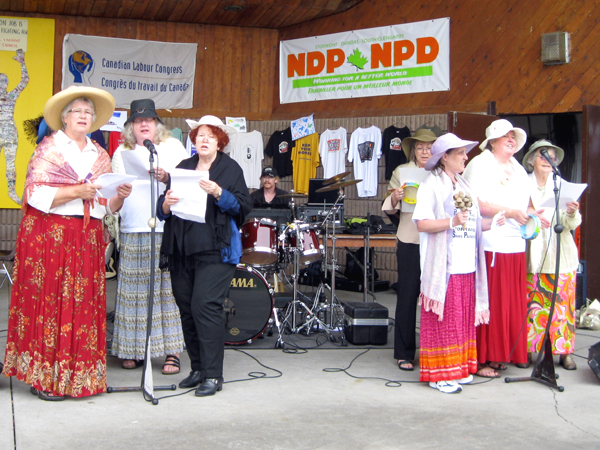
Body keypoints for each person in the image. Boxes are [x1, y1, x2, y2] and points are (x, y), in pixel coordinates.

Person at [3, 86, 132, 400]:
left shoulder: (99, 155)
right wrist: (77, 192)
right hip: (50, 235)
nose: (84, 116)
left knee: (82, 305)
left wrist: (118, 198)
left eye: (88, 113)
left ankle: (78, 376)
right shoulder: (50, 149)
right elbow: (34, 195)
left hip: (85, 238)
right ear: (64, 118)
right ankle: (45, 378)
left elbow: (103, 207)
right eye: (78, 111)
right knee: (49, 303)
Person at [158, 115, 252, 397]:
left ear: (220, 141)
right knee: (186, 307)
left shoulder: (230, 168)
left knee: (204, 305)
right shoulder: (183, 167)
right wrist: (165, 203)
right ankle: (197, 369)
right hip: (182, 249)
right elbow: (162, 211)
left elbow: (243, 207)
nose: (204, 139)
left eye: (211, 136)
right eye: (200, 135)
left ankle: (213, 374)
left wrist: (219, 192)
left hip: (216, 249)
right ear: (194, 139)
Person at [412, 133, 501, 394]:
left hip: (466, 263)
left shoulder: (463, 185)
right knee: (444, 319)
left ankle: (458, 368)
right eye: (460, 153)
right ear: (445, 158)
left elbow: (471, 223)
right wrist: (451, 222)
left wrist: (493, 222)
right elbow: (422, 223)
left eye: (465, 152)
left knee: (461, 318)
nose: (465, 157)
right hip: (444, 266)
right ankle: (439, 374)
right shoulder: (431, 185)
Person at [463, 119, 548, 377]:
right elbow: (475, 202)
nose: (511, 140)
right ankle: (481, 356)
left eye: (513, 136)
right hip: (491, 240)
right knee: (491, 300)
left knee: (509, 301)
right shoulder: (480, 163)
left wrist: (535, 215)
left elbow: (525, 204)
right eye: (505, 136)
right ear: (493, 141)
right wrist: (510, 212)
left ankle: (501, 353)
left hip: (515, 241)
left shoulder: (518, 168)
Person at [110, 99, 187, 373]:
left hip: (166, 229)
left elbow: (188, 183)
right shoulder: (121, 152)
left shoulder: (173, 148)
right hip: (133, 227)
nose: (144, 124)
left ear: (157, 125)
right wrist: (120, 193)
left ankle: (172, 351)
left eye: (150, 120)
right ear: (131, 127)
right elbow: (113, 198)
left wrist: (168, 177)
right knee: (134, 292)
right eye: (138, 121)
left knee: (167, 292)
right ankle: (134, 349)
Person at [521, 140, 581, 370]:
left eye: (552, 157)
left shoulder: (562, 185)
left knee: (562, 306)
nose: (548, 160)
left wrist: (572, 212)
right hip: (533, 254)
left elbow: (570, 223)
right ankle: (529, 349)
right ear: (531, 161)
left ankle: (564, 352)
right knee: (534, 303)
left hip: (561, 254)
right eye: (543, 156)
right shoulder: (522, 184)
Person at [382, 128, 436, 371]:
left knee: (435, 297)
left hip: (437, 239)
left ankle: (434, 350)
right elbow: (389, 207)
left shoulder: (441, 171)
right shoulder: (400, 172)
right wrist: (395, 197)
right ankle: (404, 352)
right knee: (407, 295)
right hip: (410, 238)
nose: (425, 151)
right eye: (420, 147)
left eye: (429, 147)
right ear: (413, 149)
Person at [1, 49, 29, 204]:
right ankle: (11, 191)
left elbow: (25, 80)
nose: (2, 84)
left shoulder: (11, 96)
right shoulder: (10, 96)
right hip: (7, 132)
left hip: (10, 133)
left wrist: (22, 63)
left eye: (3, 82)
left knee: (10, 164)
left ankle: (11, 191)